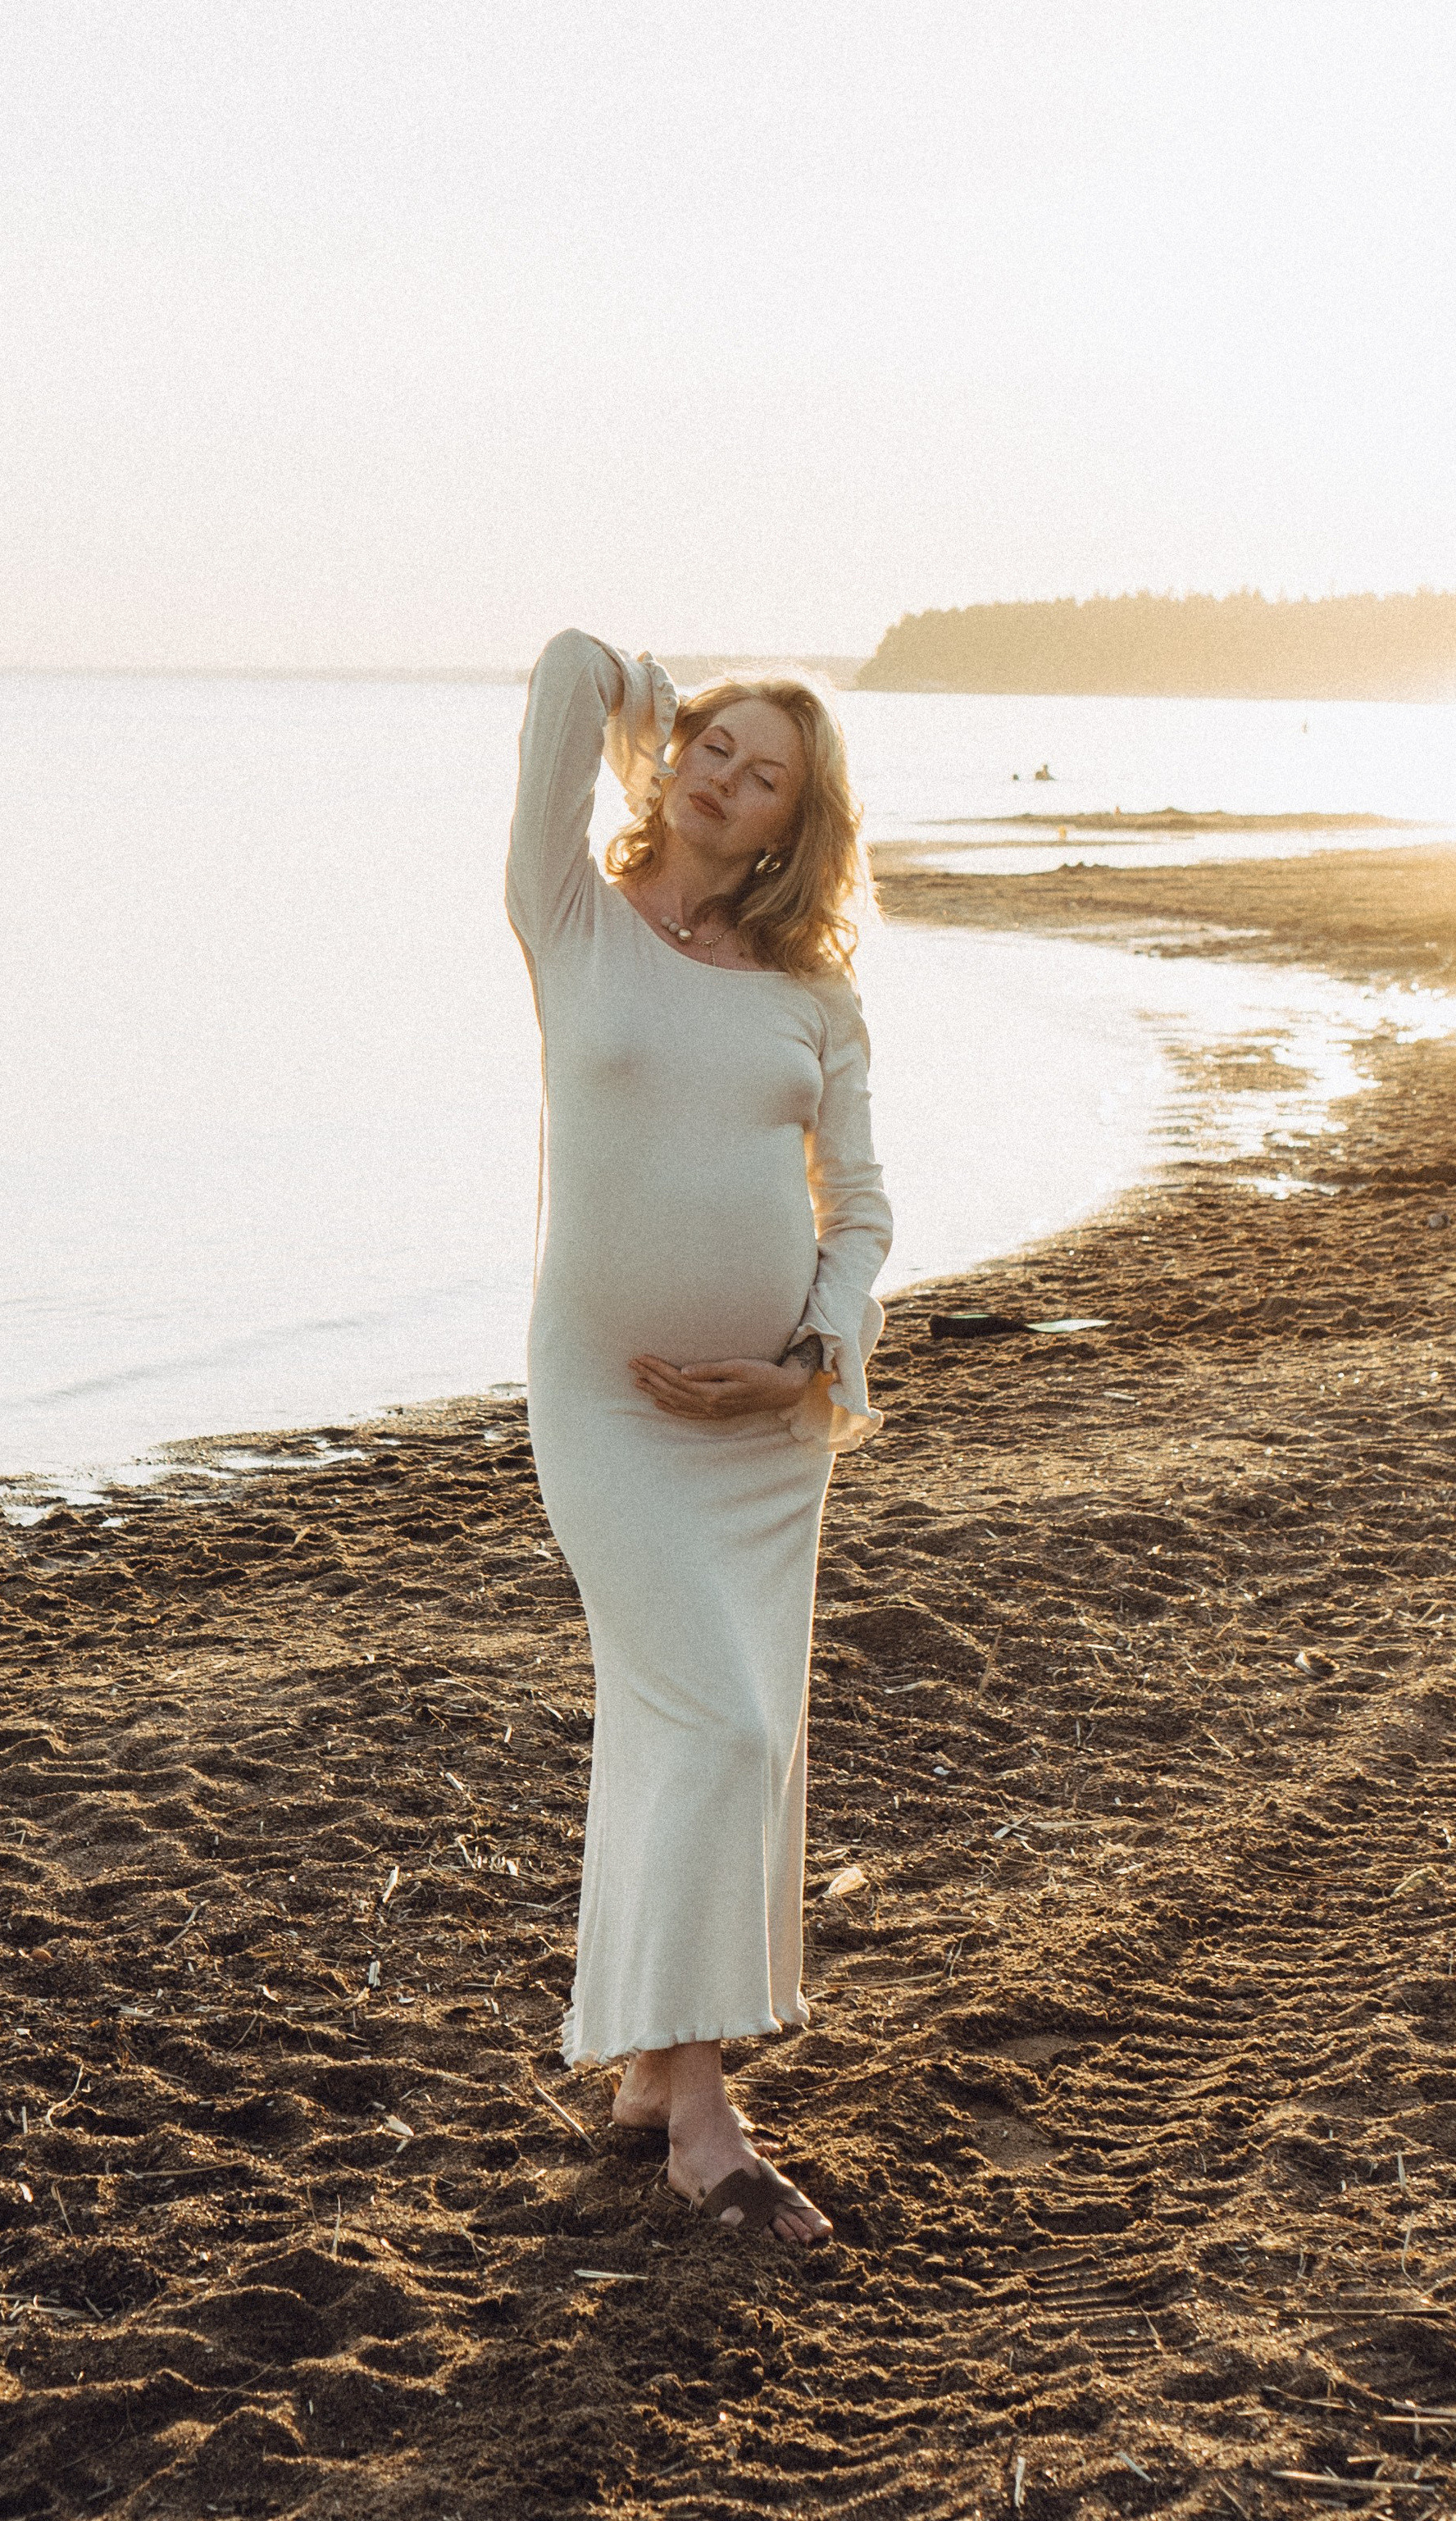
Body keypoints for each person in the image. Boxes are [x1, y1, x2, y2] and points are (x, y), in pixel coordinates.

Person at [506, 629, 893, 2244]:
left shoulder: (815, 1001)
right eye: (712, 751)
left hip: (766, 1437)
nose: (727, 781)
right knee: (721, 1729)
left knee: (712, 1737)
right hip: (603, 1410)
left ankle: (658, 2079)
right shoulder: (569, 917)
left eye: (766, 776)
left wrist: (809, 1354)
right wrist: (648, 708)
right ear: (669, 760)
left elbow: (860, 1218)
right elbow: (559, 672)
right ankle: (705, 2116)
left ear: (793, 831)